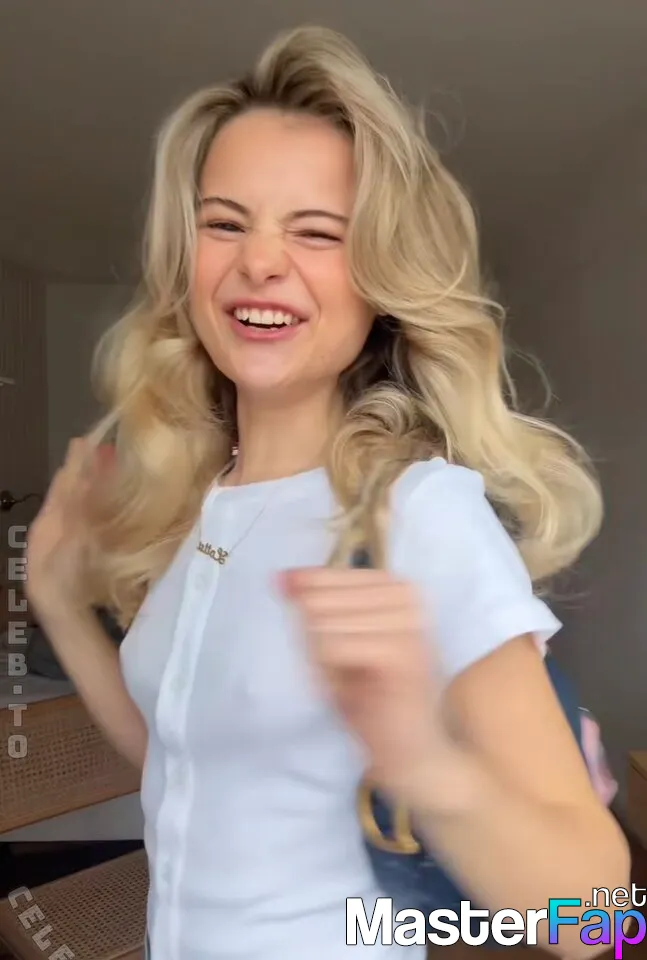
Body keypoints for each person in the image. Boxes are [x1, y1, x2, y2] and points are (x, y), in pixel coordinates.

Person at [25, 24, 628, 960]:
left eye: (316, 232)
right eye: (225, 223)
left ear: (379, 278)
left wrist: (420, 759)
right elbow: (192, 773)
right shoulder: (201, 504)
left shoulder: (416, 512)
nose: (260, 262)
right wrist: (61, 604)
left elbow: (596, 921)